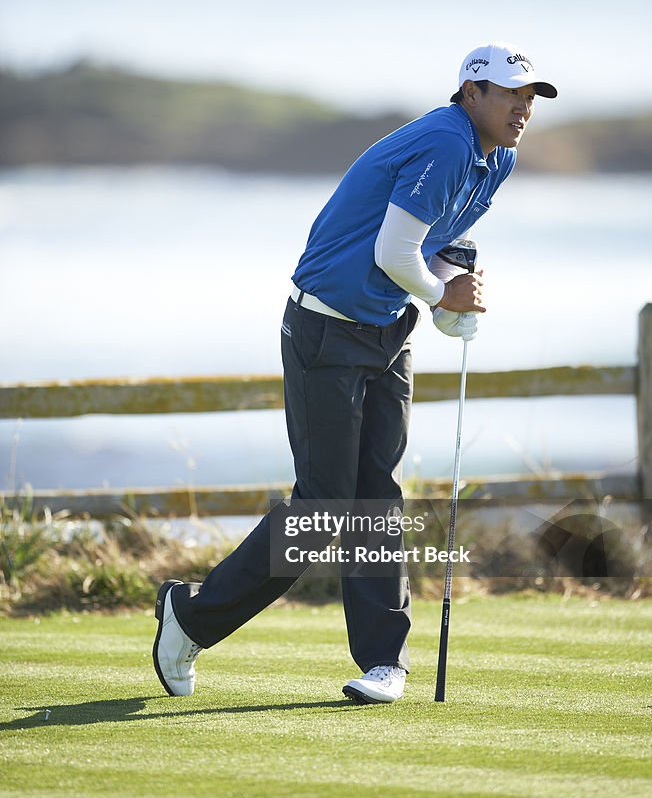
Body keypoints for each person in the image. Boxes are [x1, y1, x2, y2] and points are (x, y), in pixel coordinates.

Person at [152, 41, 558, 704]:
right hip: (326, 328)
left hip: (385, 330)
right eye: (510, 94)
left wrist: (455, 289)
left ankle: (382, 661)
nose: (522, 108)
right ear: (470, 94)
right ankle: (190, 618)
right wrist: (439, 294)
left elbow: (439, 244)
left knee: (377, 498)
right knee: (324, 508)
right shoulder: (448, 143)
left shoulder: (497, 159)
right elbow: (393, 250)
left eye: (530, 97)